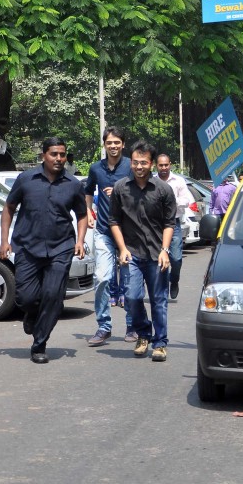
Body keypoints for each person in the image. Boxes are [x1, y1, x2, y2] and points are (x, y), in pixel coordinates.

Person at [0, 137, 88, 364]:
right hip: (27, 246)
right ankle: (31, 313)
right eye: (54, 154)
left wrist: (80, 240)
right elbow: (9, 208)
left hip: (61, 247)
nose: (59, 159)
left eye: (62, 154)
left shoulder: (73, 184)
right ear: (43, 156)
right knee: (25, 297)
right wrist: (4, 240)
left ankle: (39, 343)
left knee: (53, 296)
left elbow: (81, 215)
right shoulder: (26, 179)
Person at [109, 141, 176, 362]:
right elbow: (114, 221)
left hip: (157, 255)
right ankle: (144, 334)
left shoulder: (163, 189)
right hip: (132, 254)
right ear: (131, 162)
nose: (139, 166)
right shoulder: (120, 188)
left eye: (144, 162)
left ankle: (160, 343)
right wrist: (122, 249)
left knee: (158, 300)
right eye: (136, 162)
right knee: (132, 297)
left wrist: (165, 250)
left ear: (152, 164)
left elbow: (169, 223)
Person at [84, 126, 134, 347]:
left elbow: (141, 192)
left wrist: (120, 192)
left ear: (123, 144)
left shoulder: (132, 166)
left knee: (130, 282)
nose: (113, 146)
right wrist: (88, 211)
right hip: (103, 231)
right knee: (102, 278)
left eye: (117, 142)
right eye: (109, 142)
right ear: (104, 145)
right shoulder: (96, 168)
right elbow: (87, 191)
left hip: (129, 234)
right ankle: (104, 326)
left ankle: (133, 326)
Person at [152, 154, 194, 300]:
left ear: (170, 165)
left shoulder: (178, 181)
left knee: (175, 258)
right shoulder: (152, 181)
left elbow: (186, 200)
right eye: (160, 165)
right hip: (155, 225)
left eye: (166, 165)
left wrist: (170, 199)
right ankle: (161, 289)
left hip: (173, 223)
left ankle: (174, 280)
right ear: (156, 166)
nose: (163, 168)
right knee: (158, 259)